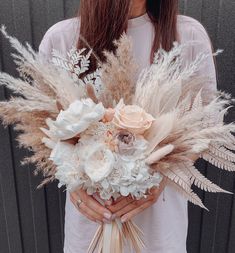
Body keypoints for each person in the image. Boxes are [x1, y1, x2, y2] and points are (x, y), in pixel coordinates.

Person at [38, 1, 217, 252]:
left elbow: (206, 125)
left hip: (159, 225)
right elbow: (42, 127)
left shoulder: (188, 36)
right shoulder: (62, 39)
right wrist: (75, 185)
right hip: (90, 225)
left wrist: (161, 178)